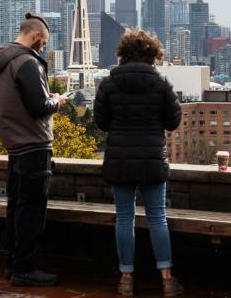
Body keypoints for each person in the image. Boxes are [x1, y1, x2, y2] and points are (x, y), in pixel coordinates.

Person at [94, 29, 183, 297]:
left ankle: (126, 278)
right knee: (157, 218)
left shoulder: (109, 82)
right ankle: (167, 279)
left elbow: (101, 122)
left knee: (124, 217)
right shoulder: (161, 83)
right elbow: (173, 121)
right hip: (152, 160)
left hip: (120, 159)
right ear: (153, 53)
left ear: (123, 52)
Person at [0, 13, 67, 287]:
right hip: (34, 146)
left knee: (16, 208)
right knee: (31, 210)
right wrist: (56, 101)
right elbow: (38, 108)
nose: (42, 48)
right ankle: (25, 268)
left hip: (14, 145)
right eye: (43, 43)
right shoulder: (27, 62)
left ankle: (13, 264)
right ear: (35, 36)